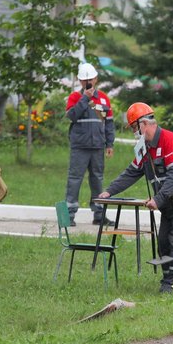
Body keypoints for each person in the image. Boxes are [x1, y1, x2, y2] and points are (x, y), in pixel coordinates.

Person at [98, 103, 173, 293]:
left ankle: (172, 287)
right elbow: (132, 172)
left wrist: (157, 199)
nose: (135, 132)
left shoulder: (171, 140)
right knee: (164, 243)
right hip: (167, 202)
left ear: (144, 123)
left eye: (135, 128)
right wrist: (109, 191)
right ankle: (168, 279)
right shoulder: (144, 147)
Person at [65, 62, 115, 226]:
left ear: (96, 79)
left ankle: (99, 215)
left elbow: (108, 122)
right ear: (80, 81)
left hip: (97, 147)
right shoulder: (74, 97)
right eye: (84, 80)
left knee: (97, 180)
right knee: (74, 180)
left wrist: (110, 144)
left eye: (90, 79)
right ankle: (69, 216)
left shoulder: (104, 99)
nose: (88, 82)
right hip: (80, 146)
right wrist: (85, 98)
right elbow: (72, 116)